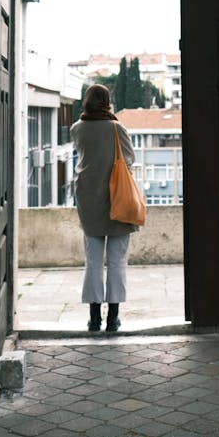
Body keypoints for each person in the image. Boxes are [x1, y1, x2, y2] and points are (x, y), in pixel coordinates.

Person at [70, 83, 139, 333]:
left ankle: (94, 318)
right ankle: (113, 317)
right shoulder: (117, 128)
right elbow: (129, 159)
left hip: (89, 199)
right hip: (117, 197)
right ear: (107, 101)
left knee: (93, 259)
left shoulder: (77, 129)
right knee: (117, 259)